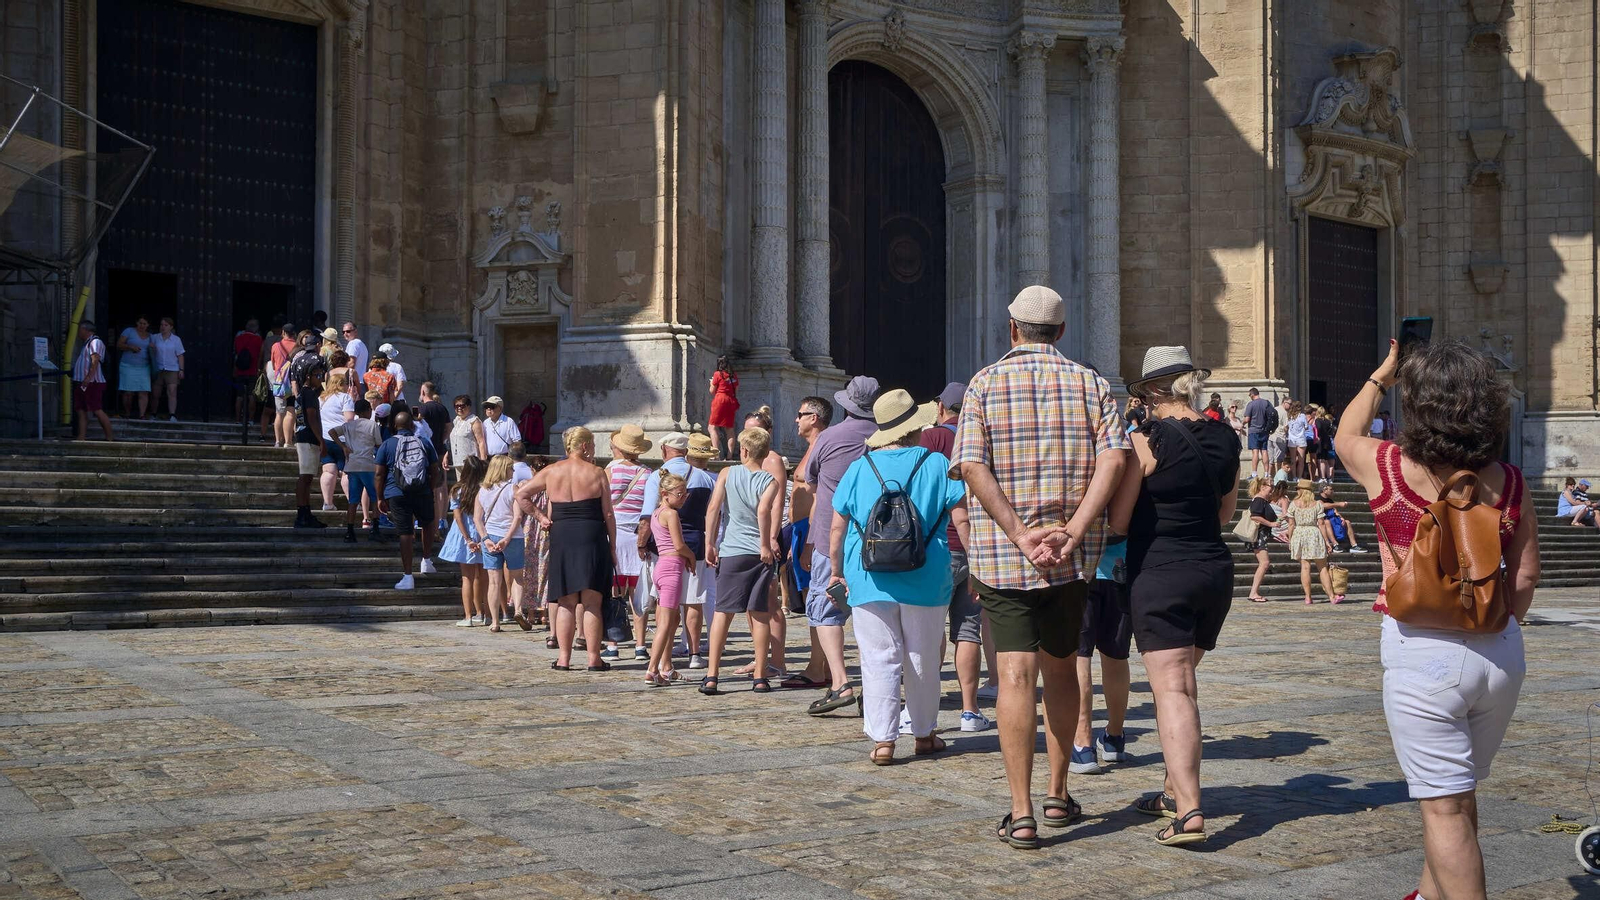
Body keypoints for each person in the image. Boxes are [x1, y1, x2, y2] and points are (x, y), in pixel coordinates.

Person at [1334, 339, 1538, 900]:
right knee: (1458, 794)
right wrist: (1495, 625)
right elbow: (1522, 578)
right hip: (1498, 654)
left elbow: (1344, 434)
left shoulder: (1389, 468)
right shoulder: (1510, 481)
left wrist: (1381, 377)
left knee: (1445, 805)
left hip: (1420, 651)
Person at [950, 285, 1128, 851]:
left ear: (1012, 329)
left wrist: (1018, 534)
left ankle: (1021, 812)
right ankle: (1057, 793)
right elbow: (1116, 459)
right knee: (1061, 672)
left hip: (1006, 560)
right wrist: (1073, 531)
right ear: (1062, 331)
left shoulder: (984, 382)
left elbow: (972, 466)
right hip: (1071, 562)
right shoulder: (1092, 383)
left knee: (1014, 678)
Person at [1107, 346, 1239, 846]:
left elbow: (1119, 521)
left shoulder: (1145, 440)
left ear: (1151, 393)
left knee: (1173, 691)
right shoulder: (1226, 438)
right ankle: (1170, 787)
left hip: (1161, 572)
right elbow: (1225, 515)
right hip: (1214, 573)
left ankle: (1188, 812)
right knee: (1182, 683)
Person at [828, 390, 969, 765]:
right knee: (922, 657)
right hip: (927, 574)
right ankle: (923, 734)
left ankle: (883, 741)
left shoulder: (861, 466)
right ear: (916, 429)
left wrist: (837, 570)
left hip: (868, 575)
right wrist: (978, 563)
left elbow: (838, 527)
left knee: (878, 658)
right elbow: (962, 519)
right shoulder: (937, 464)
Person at [800, 375, 881, 715]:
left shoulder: (830, 437)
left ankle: (840, 682)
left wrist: (807, 541)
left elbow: (810, 480)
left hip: (830, 537)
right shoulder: (884, 438)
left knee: (825, 608)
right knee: (873, 612)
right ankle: (875, 685)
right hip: (878, 539)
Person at [919, 380, 990, 732]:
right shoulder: (981, 437)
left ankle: (924, 709)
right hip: (970, 543)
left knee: (929, 629)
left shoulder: (931, 439)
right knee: (967, 630)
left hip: (939, 545)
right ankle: (969, 710)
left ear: (942, 407)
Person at [518, 427, 616, 671]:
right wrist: (613, 546)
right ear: (583, 446)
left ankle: (564, 658)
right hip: (591, 534)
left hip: (562, 535)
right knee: (592, 601)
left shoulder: (551, 471)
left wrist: (540, 517)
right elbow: (608, 513)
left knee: (565, 601)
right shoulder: (597, 473)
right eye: (592, 444)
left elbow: (522, 495)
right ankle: (594, 658)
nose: (593, 449)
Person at [700, 426, 784, 694]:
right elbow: (764, 510)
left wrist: (709, 543)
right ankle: (760, 675)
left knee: (722, 613)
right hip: (757, 554)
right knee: (760, 615)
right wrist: (764, 544)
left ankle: (712, 675)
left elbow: (713, 508)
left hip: (732, 549)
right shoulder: (770, 481)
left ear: (743, 450)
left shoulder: (727, 473)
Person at [729, 405, 790, 678]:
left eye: (756, 430)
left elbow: (776, 504)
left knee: (770, 602)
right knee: (755, 604)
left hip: (765, 538)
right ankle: (760, 657)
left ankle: (776, 660)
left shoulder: (772, 459)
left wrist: (773, 536)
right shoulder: (742, 466)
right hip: (749, 540)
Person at [779, 395, 835, 690]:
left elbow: (818, 497)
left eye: (800, 414)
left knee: (817, 599)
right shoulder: (814, 447)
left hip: (812, 530)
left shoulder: (823, 445)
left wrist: (811, 539)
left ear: (814, 417)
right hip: (803, 530)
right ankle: (819, 663)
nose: (796, 419)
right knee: (814, 598)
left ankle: (817, 667)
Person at [375, 410, 441, 590]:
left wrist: (380, 497)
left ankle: (408, 576)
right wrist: (429, 488)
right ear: (412, 425)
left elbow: (379, 474)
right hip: (422, 491)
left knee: (405, 532)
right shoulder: (424, 442)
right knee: (427, 523)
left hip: (396, 492)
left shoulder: (387, 444)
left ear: (394, 426)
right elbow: (435, 469)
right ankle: (427, 561)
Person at [607, 425, 655, 660]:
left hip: (615, 534)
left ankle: (613, 643)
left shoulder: (610, 471)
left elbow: (604, 504)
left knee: (614, 590)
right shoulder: (647, 473)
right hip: (638, 535)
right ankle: (640, 645)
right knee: (638, 593)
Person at [645, 472, 696, 685]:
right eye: (680, 494)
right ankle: (652, 669)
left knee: (671, 619)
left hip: (662, 567)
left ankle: (666, 666)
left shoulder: (657, 513)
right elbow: (678, 545)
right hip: (671, 568)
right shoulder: (671, 514)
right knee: (665, 622)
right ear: (665, 494)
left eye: (686, 494)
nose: (684, 498)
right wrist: (691, 556)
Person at [439, 456, 489, 626]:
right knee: (485, 577)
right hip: (482, 531)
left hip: (463, 533)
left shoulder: (457, 490)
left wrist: (467, 538)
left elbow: (457, 516)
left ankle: (468, 616)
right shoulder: (485, 489)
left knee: (466, 577)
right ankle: (486, 614)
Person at [329, 399, 383, 542]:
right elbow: (379, 443)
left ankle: (350, 530)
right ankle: (375, 528)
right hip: (367, 465)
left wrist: (343, 446)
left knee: (353, 500)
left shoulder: (348, 425)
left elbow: (332, 432)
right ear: (368, 411)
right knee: (374, 497)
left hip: (352, 465)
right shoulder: (372, 425)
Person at [1286, 478, 1338, 604]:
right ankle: (1331, 596)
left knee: (1305, 567)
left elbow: (1291, 524)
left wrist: (1290, 539)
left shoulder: (1293, 504)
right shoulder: (1317, 504)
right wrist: (1327, 541)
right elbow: (1321, 524)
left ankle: (1308, 597)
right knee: (1322, 568)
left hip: (1299, 533)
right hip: (1314, 533)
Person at [291, 357, 329, 529]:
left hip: (304, 436)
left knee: (307, 477)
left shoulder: (304, 393)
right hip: (308, 437)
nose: (320, 377)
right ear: (308, 376)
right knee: (305, 477)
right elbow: (311, 417)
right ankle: (302, 513)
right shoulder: (309, 394)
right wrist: (321, 440)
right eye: (317, 374)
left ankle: (305, 512)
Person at [317, 372, 356, 510]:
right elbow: (349, 419)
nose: (347, 386)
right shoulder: (345, 398)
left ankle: (327, 503)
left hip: (325, 438)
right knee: (346, 472)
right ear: (340, 385)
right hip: (342, 439)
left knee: (328, 471)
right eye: (345, 383)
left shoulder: (321, 398)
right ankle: (353, 503)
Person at [72, 320, 115, 442]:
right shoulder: (85, 344)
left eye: (80, 329)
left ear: (86, 330)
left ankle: (109, 437)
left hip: (92, 382)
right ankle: (81, 436)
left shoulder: (95, 342)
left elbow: (95, 361)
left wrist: (88, 378)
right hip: (81, 382)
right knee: (81, 410)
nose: (78, 333)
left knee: (96, 409)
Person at [418, 382, 452, 528]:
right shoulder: (442, 408)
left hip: (425, 451)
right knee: (442, 486)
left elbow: (417, 428)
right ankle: (442, 519)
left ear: (424, 392)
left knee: (425, 485)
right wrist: (442, 439)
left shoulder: (423, 409)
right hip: (440, 449)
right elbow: (449, 427)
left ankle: (427, 517)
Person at [1244, 477, 1277, 603]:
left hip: (1261, 535)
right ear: (1262, 487)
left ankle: (1254, 592)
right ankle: (1253, 592)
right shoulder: (1259, 500)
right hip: (1258, 536)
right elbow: (1255, 516)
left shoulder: (1263, 500)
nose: (1272, 490)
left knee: (1264, 564)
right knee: (1264, 563)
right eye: (1271, 486)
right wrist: (1270, 524)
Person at [116, 316, 153, 420]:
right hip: (128, 366)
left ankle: (142, 415)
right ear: (137, 323)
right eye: (140, 323)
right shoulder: (129, 331)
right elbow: (119, 344)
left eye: (144, 324)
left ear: (148, 325)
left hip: (144, 367)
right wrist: (130, 347)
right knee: (128, 392)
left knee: (143, 391)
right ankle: (127, 413)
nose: (142, 325)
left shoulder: (151, 336)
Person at [149, 317, 185, 422]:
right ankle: (153, 414)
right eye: (161, 325)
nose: (163, 327)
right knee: (155, 393)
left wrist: (181, 369)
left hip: (172, 368)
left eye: (166, 325)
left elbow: (180, 355)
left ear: (171, 327)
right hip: (158, 369)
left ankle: (172, 415)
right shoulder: (155, 337)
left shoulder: (176, 339)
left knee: (172, 392)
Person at [268, 322, 298, 448]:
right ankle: (288, 441)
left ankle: (277, 441)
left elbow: (274, 365)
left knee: (279, 413)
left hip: (279, 382)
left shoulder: (276, 346)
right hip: (292, 382)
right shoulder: (297, 346)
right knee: (291, 412)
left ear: (283, 332)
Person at [231, 318, 264, 425]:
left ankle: (237, 419)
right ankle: (250, 419)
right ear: (255, 328)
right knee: (251, 396)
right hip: (253, 371)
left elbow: (236, 354)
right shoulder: (258, 340)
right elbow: (260, 355)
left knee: (239, 396)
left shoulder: (238, 338)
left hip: (240, 371)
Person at [1318, 484, 1368, 553]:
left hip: (1333, 522)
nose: (1333, 491)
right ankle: (1335, 545)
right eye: (1331, 489)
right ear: (1324, 490)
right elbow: (1323, 506)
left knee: (1347, 522)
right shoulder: (1318, 500)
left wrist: (1342, 518)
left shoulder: (1330, 500)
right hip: (1323, 525)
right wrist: (1338, 504)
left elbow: (1335, 511)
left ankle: (1354, 545)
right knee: (1326, 522)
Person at [448, 394, 489, 479]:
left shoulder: (474, 421)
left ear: (469, 406)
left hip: (471, 463)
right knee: (461, 487)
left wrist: (483, 461)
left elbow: (481, 442)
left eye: (462, 406)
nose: (459, 408)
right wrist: (446, 456)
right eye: (456, 406)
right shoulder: (456, 421)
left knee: (470, 487)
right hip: (457, 461)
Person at [708, 355, 740, 459]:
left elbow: (712, 391)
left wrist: (710, 383)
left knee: (712, 427)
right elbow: (736, 389)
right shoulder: (733, 375)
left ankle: (716, 455)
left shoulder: (717, 374)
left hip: (720, 400)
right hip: (731, 401)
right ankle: (729, 456)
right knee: (729, 430)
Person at [1243, 387, 1274, 480]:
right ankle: (1266, 474)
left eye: (1249, 395)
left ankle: (1254, 474)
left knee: (1255, 452)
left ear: (1252, 394)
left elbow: (1247, 419)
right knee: (1264, 451)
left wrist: (1242, 423)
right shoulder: (1266, 403)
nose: (1250, 397)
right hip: (1264, 431)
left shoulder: (1251, 404)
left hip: (1254, 431)